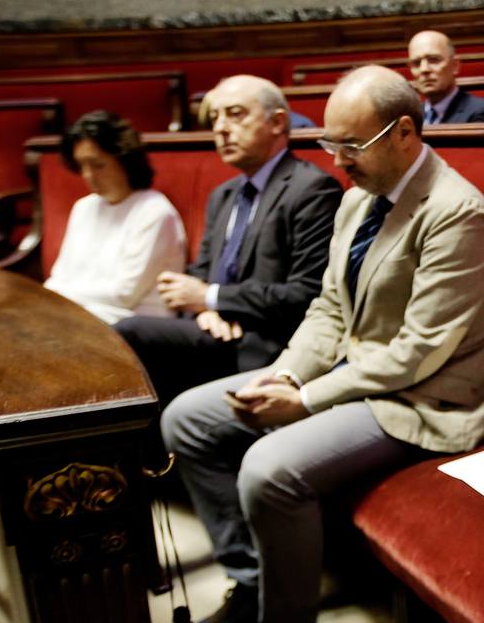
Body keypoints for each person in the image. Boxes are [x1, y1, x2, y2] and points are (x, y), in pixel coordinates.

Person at [161, 65, 484, 623]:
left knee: (269, 467)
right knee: (186, 422)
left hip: (429, 399)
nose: (337, 161)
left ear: (405, 132)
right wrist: (287, 377)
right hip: (358, 374)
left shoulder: (457, 211)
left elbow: (417, 352)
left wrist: (307, 397)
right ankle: (253, 581)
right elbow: (327, 309)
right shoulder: (358, 196)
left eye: (352, 145)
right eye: (330, 145)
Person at [114, 75, 342, 411]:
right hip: (214, 332)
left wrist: (211, 298)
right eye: (216, 117)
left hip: (263, 341)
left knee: (129, 332)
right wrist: (207, 306)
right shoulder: (224, 194)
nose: (221, 128)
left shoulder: (312, 190)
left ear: (278, 122)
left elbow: (304, 295)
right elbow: (200, 273)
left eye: (235, 114)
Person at [44, 111, 186, 325]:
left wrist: (56, 298)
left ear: (124, 160)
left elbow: (124, 294)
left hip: (133, 325)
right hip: (81, 314)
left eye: (98, 165)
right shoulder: (84, 207)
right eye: (81, 165)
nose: (88, 175)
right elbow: (59, 276)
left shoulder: (154, 212)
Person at [407, 29, 484, 123]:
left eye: (434, 60)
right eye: (416, 63)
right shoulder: (409, 116)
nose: (424, 69)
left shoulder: (483, 111)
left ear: (455, 66)